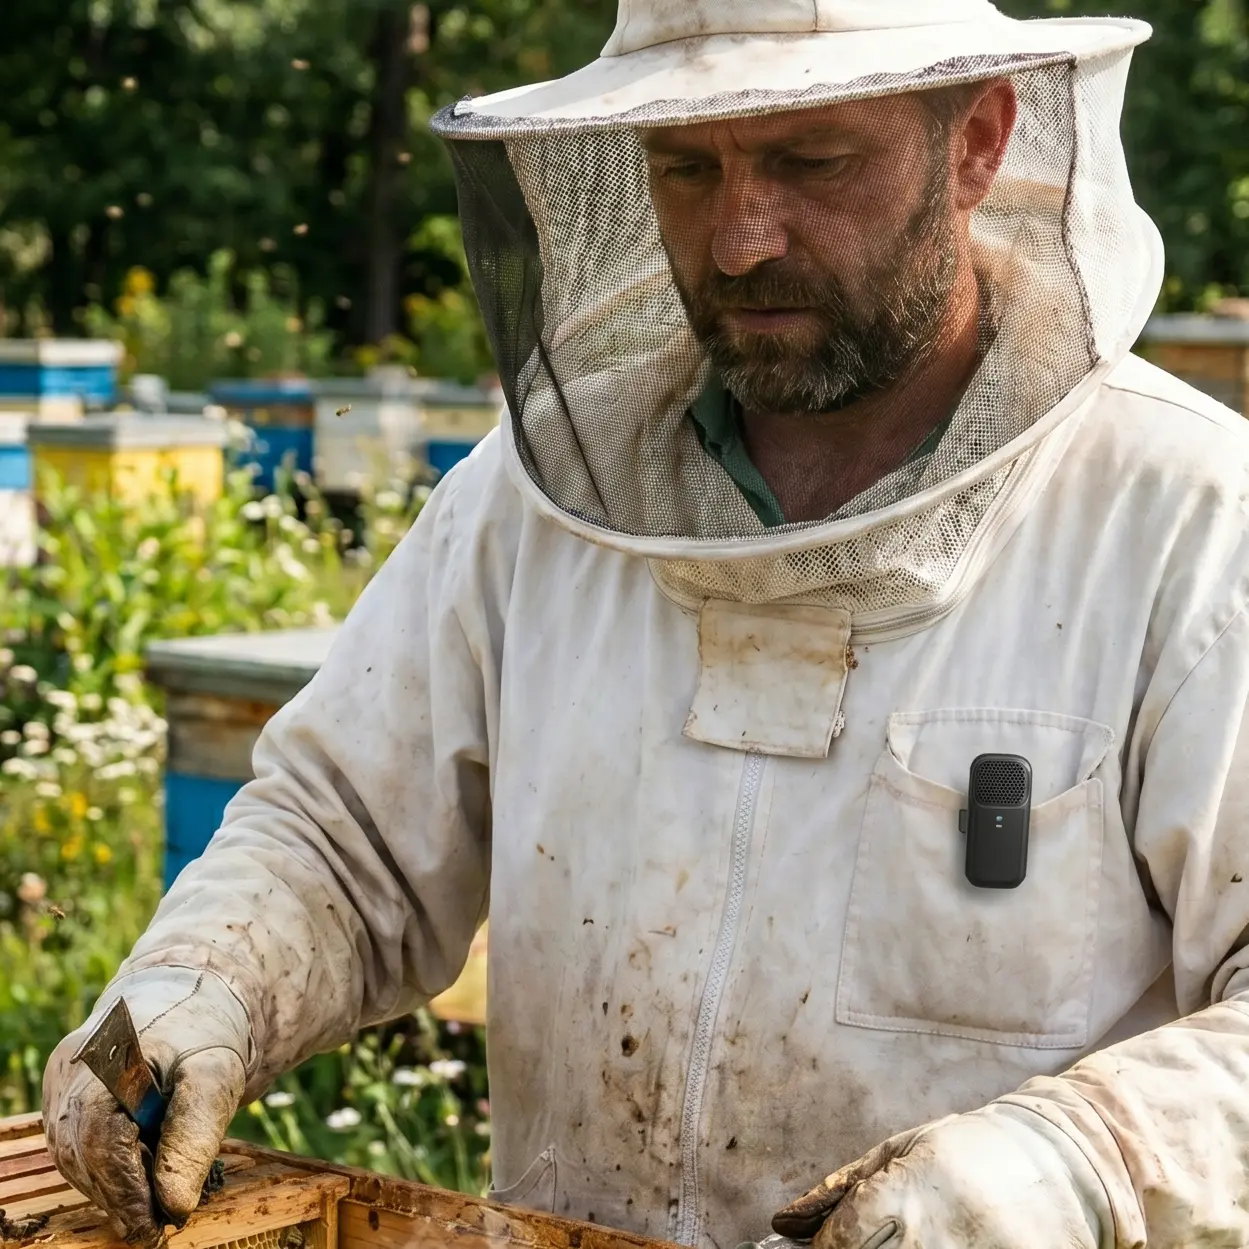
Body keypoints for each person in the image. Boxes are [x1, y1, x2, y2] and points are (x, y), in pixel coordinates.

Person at [43, 3, 1249, 1248]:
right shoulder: (538, 493)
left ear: (976, 143)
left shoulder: (1190, 522)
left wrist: (1077, 1161)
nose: (738, 240)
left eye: (811, 160)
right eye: (686, 167)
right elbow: (344, 837)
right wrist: (206, 983)